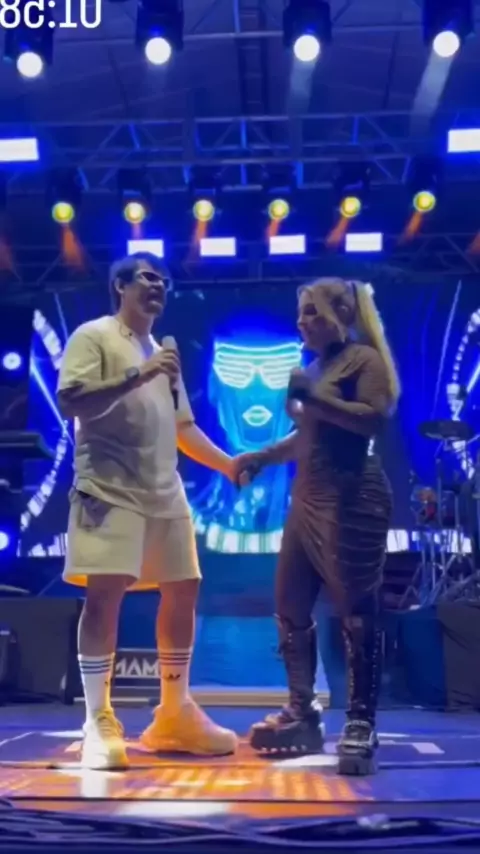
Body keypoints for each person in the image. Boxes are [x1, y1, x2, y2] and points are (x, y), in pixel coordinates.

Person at [57, 252, 238, 769]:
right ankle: (97, 719)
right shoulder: (94, 336)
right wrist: (139, 374)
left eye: (165, 280)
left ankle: (174, 713)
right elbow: (72, 400)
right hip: (108, 486)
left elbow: (183, 428)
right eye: (149, 277)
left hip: (165, 490)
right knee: (105, 596)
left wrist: (229, 466)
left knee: (184, 587)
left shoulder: (163, 353)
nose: (160, 286)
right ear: (121, 286)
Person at [233, 278, 400, 776]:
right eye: (300, 312)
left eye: (311, 312)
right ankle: (302, 711)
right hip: (307, 498)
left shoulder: (364, 360)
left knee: (356, 611)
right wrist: (261, 456)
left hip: (353, 498)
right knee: (289, 606)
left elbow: (372, 419)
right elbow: (305, 438)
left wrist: (314, 399)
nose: (301, 321)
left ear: (341, 313)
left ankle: (361, 721)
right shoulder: (314, 368)